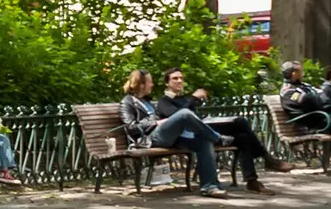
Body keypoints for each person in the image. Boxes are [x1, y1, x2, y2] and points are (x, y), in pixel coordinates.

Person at [155, 68, 291, 193]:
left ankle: (252, 181)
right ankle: (268, 159)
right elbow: (180, 118)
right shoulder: (164, 101)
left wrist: (193, 101)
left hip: (203, 129)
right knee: (240, 123)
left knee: (243, 135)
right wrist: (194, 98)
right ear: (167, 83)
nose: (179, 81)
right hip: (191, 136)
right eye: (175, 78)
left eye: (181, 78)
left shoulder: (183, 99)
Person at [121, 69, 229, 197]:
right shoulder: (127, 102)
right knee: (184, 114)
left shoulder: (147, 101)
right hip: (149, 139)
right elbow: (130, 127)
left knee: (204, 142)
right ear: (141, 84)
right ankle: (218, 138)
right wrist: (157, 123)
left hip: (169, 137)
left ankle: (209, 187)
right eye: (150, 82)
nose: (153, 85)